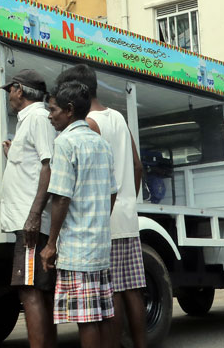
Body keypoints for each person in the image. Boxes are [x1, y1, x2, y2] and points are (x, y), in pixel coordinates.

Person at [56, 64, 147, 348]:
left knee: (112, 293)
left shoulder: (90, 123)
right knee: (132, 288)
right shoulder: (117, 116)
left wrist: (109, 206)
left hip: (102, 218)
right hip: (127, 216)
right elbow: (137, 165)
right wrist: (128, 200)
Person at [40, 81, 118, 348]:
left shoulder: (64, 142)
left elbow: (61, 197)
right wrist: (98, 221)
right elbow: (112, 193)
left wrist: (50, 244)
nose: (50, 116)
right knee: (102, 314)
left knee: (86, 319)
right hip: (98, 244)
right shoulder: (101, 144)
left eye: (53, 110)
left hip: (76, 248)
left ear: (69, 110)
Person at [0, 69, 58, 348]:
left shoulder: (36, 118)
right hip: (28, 220)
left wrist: (34, 215)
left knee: (30, 291)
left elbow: (49, 165)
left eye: (10, 89)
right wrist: (14, 157)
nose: (9, 95)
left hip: (30, 221)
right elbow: (36, 165)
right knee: (39, 291)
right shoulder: (31, 120)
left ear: (19, 90)